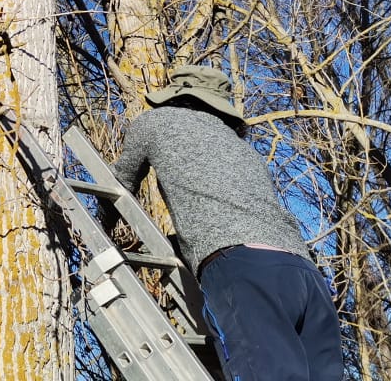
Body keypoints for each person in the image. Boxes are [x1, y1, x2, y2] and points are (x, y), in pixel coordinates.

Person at [112, 64, 342, 381]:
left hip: (242, 269)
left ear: (178, 94)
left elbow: (119, 184)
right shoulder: (244, 149)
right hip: (306, 274)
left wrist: (108, 229)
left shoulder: (155, 122)